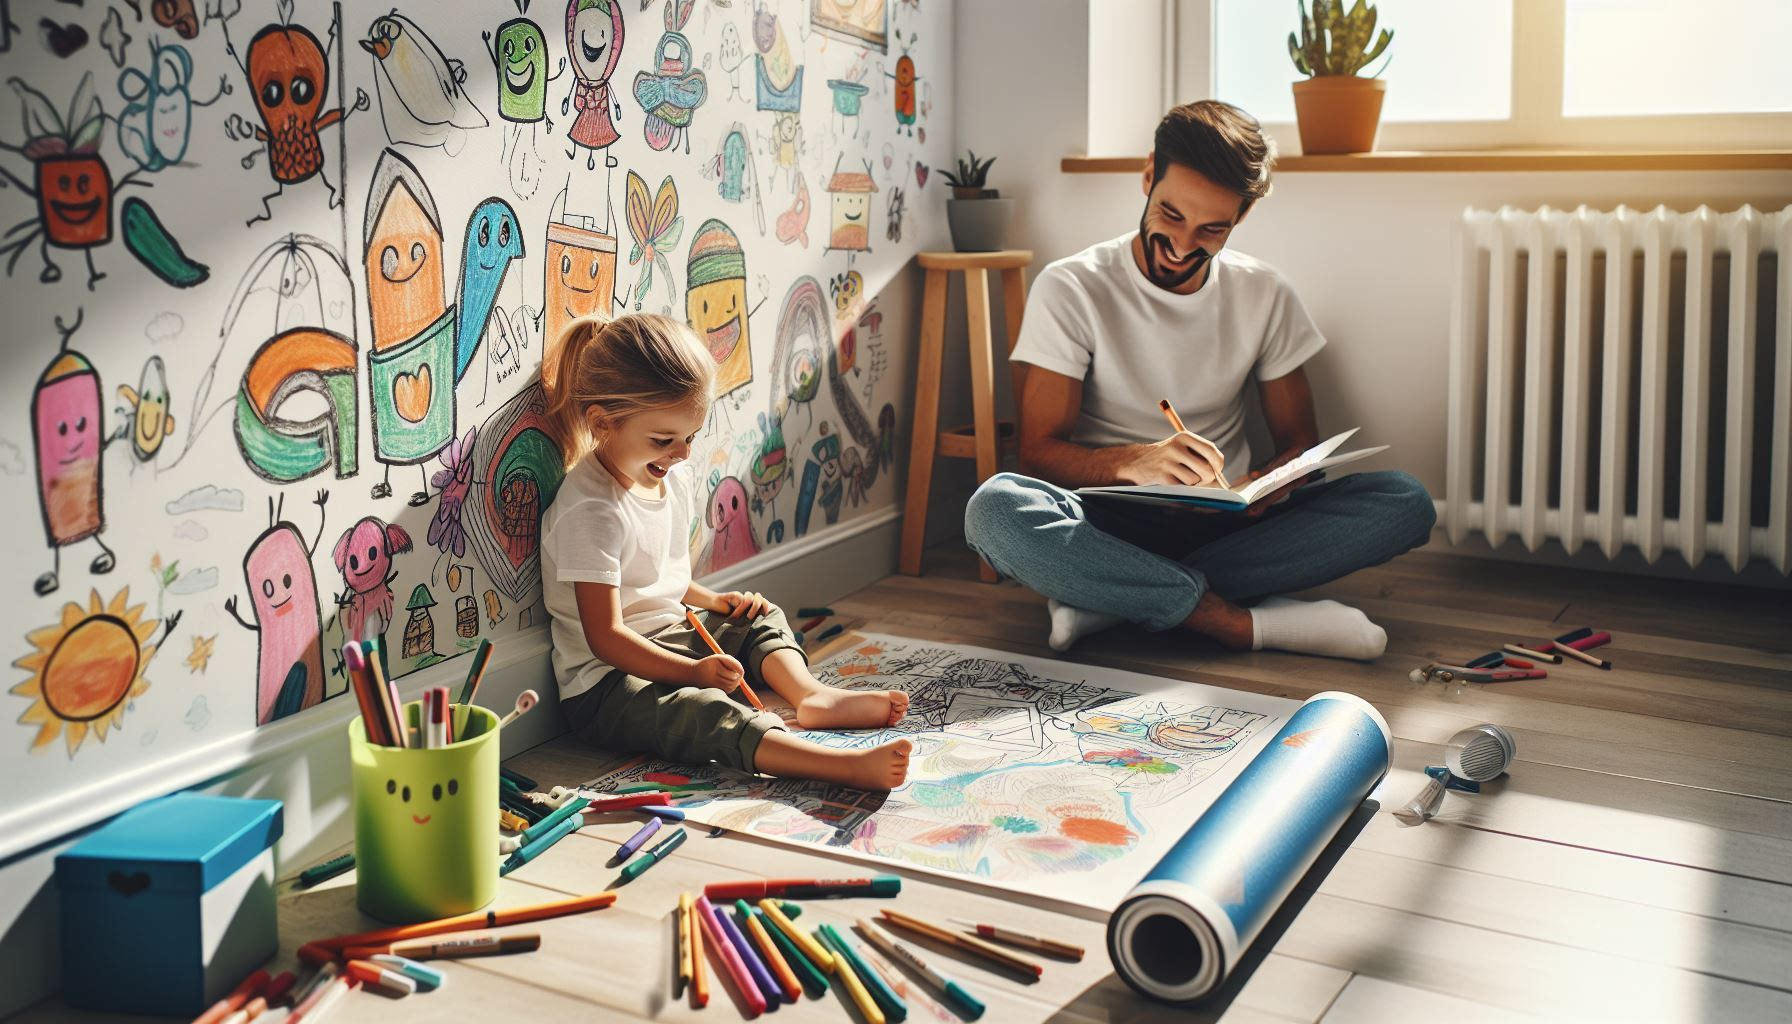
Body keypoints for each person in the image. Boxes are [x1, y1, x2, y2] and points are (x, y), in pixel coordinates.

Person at [964, 101, 1435, 661]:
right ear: (1147, 176)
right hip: (1106, 523)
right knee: (993, 508)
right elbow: (1037, 455)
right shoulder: (1071, 287)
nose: (1184, 246)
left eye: (1212, 229)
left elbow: (1300, 443)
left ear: (1240, 218)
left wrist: (1264, 485)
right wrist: (1134, 462)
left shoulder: (1266, 293)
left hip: (1227, 527)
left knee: (1406, 500)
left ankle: (1109, 595)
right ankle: (1236, 623)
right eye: (1170, 215)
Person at [541, 313, 912, 789]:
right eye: (664, 440)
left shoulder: (667, 476)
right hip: (608, 685)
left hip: (671, 635)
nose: (683, 454)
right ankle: (839, 767)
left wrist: (716, 602)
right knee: (707, 712)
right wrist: (692, 672)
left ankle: (812, 696)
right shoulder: (590, 510)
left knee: (758, 616)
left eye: (690, 437)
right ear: (602, 423)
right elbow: (606, 636)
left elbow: (659, 579)